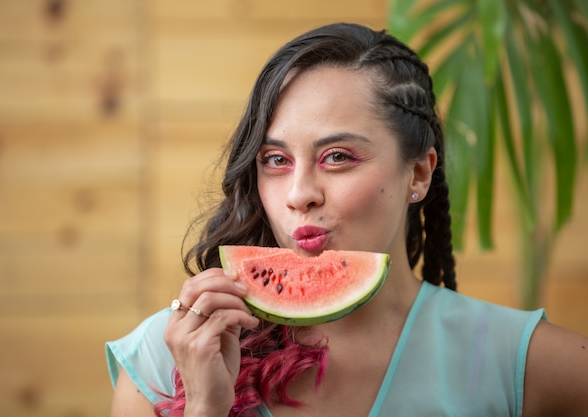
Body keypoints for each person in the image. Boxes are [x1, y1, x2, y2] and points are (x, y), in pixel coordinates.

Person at [106, 22, 588, 417]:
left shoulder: (522, 361)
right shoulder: (163, 356)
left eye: (337, 156)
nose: (299, 195)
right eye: (275, 160)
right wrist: (206, 406)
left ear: (418, 171)